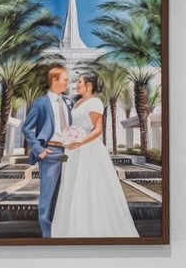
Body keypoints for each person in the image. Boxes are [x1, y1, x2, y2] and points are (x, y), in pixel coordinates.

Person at [48, 70, 138, 238]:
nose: (76, 85)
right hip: (74, 151)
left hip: (89, 150)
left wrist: (79, 141)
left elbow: (97, 130)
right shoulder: (77, 103)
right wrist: (67, 139)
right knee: (73, 186)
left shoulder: (95, 102)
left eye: (79, 82)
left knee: (89, 186)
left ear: (89, 85)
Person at [19, 65, 73, 238]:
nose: (68, 83)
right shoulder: (41, 103)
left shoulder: (68, 103)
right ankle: (48, 237)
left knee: (64, 193)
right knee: (47, 196)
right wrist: (39, 149)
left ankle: (61, 232)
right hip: (50, 152)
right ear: (54, 80)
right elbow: (27, 128)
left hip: (67, 153)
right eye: (65, 79)